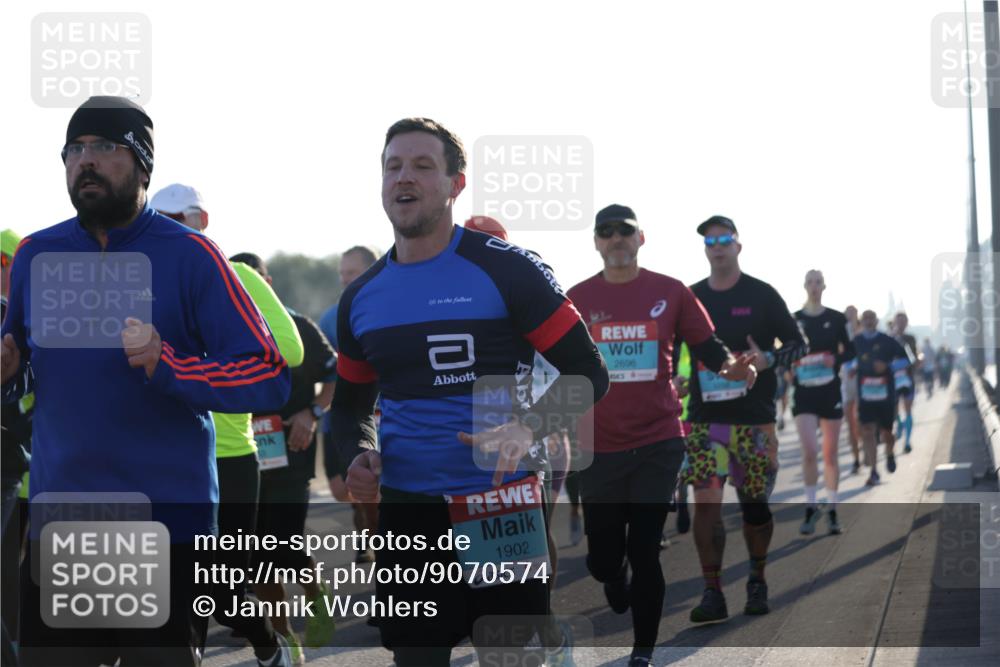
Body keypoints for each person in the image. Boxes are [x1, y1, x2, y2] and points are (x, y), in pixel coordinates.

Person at [0, 96, 290, 666]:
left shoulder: (192, 255)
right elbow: (25, 367)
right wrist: (9, 376)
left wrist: (170, 365)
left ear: (143, 165)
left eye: (105, 148)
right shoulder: (38, 253)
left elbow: (269, 374)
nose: (86, 161)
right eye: (75, 150)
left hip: (166, 525)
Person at [334, 117, 609, 667]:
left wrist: (529, 424)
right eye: (393, 166)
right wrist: (354, 457)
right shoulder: (362, 297)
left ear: (456, 184)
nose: (403, 178)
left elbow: (588, 372)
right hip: (410, 510)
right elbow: (348, 407)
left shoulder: (507, 270)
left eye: (422, 165)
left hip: (497, 503)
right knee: (416, 657)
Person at [568, 205, 754, 666]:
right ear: (595, 242)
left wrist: (732, 367)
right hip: (599, 446)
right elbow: (558, 364)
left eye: (624, 232)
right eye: (606, 232)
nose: (615, 239)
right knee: (604, 558)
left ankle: (643, 652)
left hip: (658, 440)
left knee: (645, 547)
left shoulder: (669, 292)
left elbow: (708, 348)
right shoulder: (576, 298)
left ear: (640, 238)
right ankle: (613, 575)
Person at [150, 185, 302, 667]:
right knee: (172, 589)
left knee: (220, 586)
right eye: (160, 217)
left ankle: (268, 643)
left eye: (179, 216)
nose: (169, 226)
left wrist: (197, 361)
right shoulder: (144, 282)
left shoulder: (235, 275)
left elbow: (290, 352)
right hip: (165, 457)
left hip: (230, 456)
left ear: (203, 219)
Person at [681, 215, 807, 623]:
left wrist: (768, 358)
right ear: (705, 249)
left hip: (754, 419)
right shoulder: (691, 297)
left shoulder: (762, 294)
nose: (716, 245)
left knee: (754, 507)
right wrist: (678, 379)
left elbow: (798, 344)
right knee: (707, 505)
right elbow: (673, 349)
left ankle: (757, 578)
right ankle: (712, 590)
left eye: (724, 238)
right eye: (709, 240)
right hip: (705, 421)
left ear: (738, 245)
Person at [232, 253, 339, 664]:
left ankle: (317, 597)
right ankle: (283, 636)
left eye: (257, 284)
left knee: (287, 545)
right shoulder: (227, 325)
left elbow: (335, 374)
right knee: (258, 553)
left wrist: (310, 415)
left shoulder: (298, 325)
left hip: (292, 451)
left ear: (269, 282)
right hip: (246, 452)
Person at [317, 245, 379, 563]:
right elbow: (325, 366)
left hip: (381, 417)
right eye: (342, 274)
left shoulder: (390, 308)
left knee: (375, 494)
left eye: (351, 273)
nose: (345, 280)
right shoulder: (332, 316)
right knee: (344, 490)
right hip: (341, 416)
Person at [791, 270, 854, 536]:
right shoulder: (794, 319)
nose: (814, 286)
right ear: (804, 286)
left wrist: (835, 361)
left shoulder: (836, 318)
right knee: (809, 451)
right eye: (810, 282)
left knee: (829, 453)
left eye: (818, 282)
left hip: (829, 391)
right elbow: (785, 350)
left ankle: (832, 509)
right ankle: (810, 506)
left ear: (824, 286)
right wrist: (790, 364)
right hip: (804, 393)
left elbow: (851, 350)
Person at [853, 310, 911, 486]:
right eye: (866, 319)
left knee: (887, 432)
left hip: (886, 394)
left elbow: (907, 360)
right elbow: (846, 360)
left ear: (877, 321)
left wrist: (888, 365)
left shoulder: (887, 341)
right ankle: (874, 471)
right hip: (865, 395)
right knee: (868, 431)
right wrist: (851, 367)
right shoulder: (856, 341)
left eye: (872, 318)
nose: (869, 321)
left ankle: (890, 453)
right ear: (861, 322)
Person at [891, 313, 918, 453]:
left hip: (908, 379)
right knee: (894, 410)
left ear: (907, 323)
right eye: (898, 321)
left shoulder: (910, 338)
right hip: (892, 380)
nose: (901, 324)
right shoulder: (889, 338)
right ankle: (900, 425)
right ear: (894, 322)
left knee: (908, 409)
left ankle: (907, 442)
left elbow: (914, 357)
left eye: (903, 321)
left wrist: (911, 364)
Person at [841, 305, 863, 473]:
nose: (850, 316)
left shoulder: (863, 332)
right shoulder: (840, 333)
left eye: (853, 313)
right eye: (847, 313)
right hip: (847, 381)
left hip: (864, 381)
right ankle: (856, 459)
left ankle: (864, 446)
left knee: (862, 423)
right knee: (851, 424)